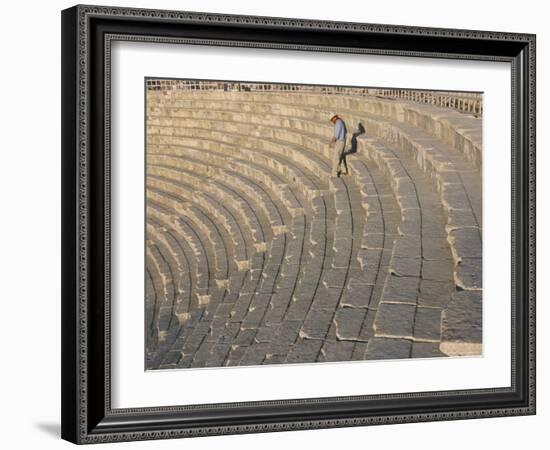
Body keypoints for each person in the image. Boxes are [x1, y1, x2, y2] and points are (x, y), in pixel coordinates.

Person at [328, 113, 348, 177]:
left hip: (340, 141)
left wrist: (331, 143)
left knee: (336, 158)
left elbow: (336, 136)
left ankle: (334, 174)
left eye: (332, 120)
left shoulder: (338, 123)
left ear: (334, 117)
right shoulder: (341, 121)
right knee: (340, 155)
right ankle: (343, 170)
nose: (332, 121)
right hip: (342, 140)